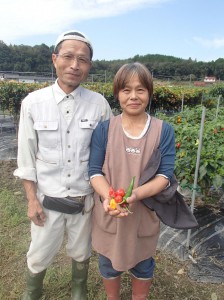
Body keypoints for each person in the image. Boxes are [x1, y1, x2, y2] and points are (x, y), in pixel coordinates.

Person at [13, 30, 112, 300]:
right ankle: (33, 290)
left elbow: (107, 155)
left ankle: (78, 288)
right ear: (54, 59)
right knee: (39, 252)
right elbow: (26, 156)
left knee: (81, 250)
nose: (74, 65)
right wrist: (32, 199)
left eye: (83, 59)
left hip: (84, 199)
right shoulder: (34, 103)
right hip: (47, 199)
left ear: (89, 66)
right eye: (68, 56)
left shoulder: (99, 104)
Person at [88, 62, 176, 300]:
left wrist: (135, 195)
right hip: (110, 210)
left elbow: (165, 176)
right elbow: (95, 172)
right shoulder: (105, 130)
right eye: (126, 90)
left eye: (141, 90)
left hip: (143, 214)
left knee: (143, 263)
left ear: (149, 92)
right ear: (117, 93)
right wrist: (109, 197)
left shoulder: (163, 130)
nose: (133, 96)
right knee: (108, 262)